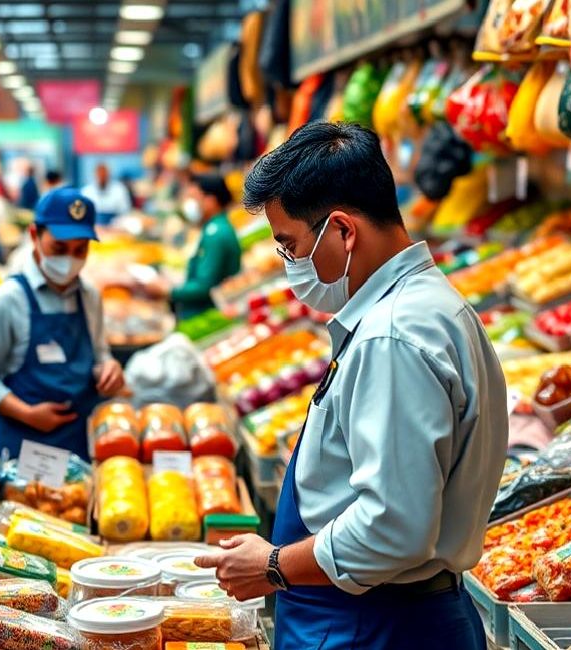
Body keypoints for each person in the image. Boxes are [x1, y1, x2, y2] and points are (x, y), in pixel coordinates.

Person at [194, 123, 507, 650]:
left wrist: (271, 565)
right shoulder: (429, 306)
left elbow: (391, 528)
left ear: (342, 230)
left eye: (290, 246)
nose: (290, 266)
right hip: (384, 614)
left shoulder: (393, 336)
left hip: (378, 625)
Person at [0, 187, 125, 460]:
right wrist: (26, 413)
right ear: (34, 236)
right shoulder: (7, 300)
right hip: (24, 450)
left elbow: (99, 353)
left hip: (79, 445)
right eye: (59, 248)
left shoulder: (90, 296)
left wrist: (108, 368)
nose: (70, 260)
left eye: (80, 250)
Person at [168, 175, 241, 320]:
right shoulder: (214, 228)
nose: (190, 205)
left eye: (195, 198)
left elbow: (204, 286)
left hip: (208, 313)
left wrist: (169, 291)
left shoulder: (215, 233)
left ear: (211, 201)